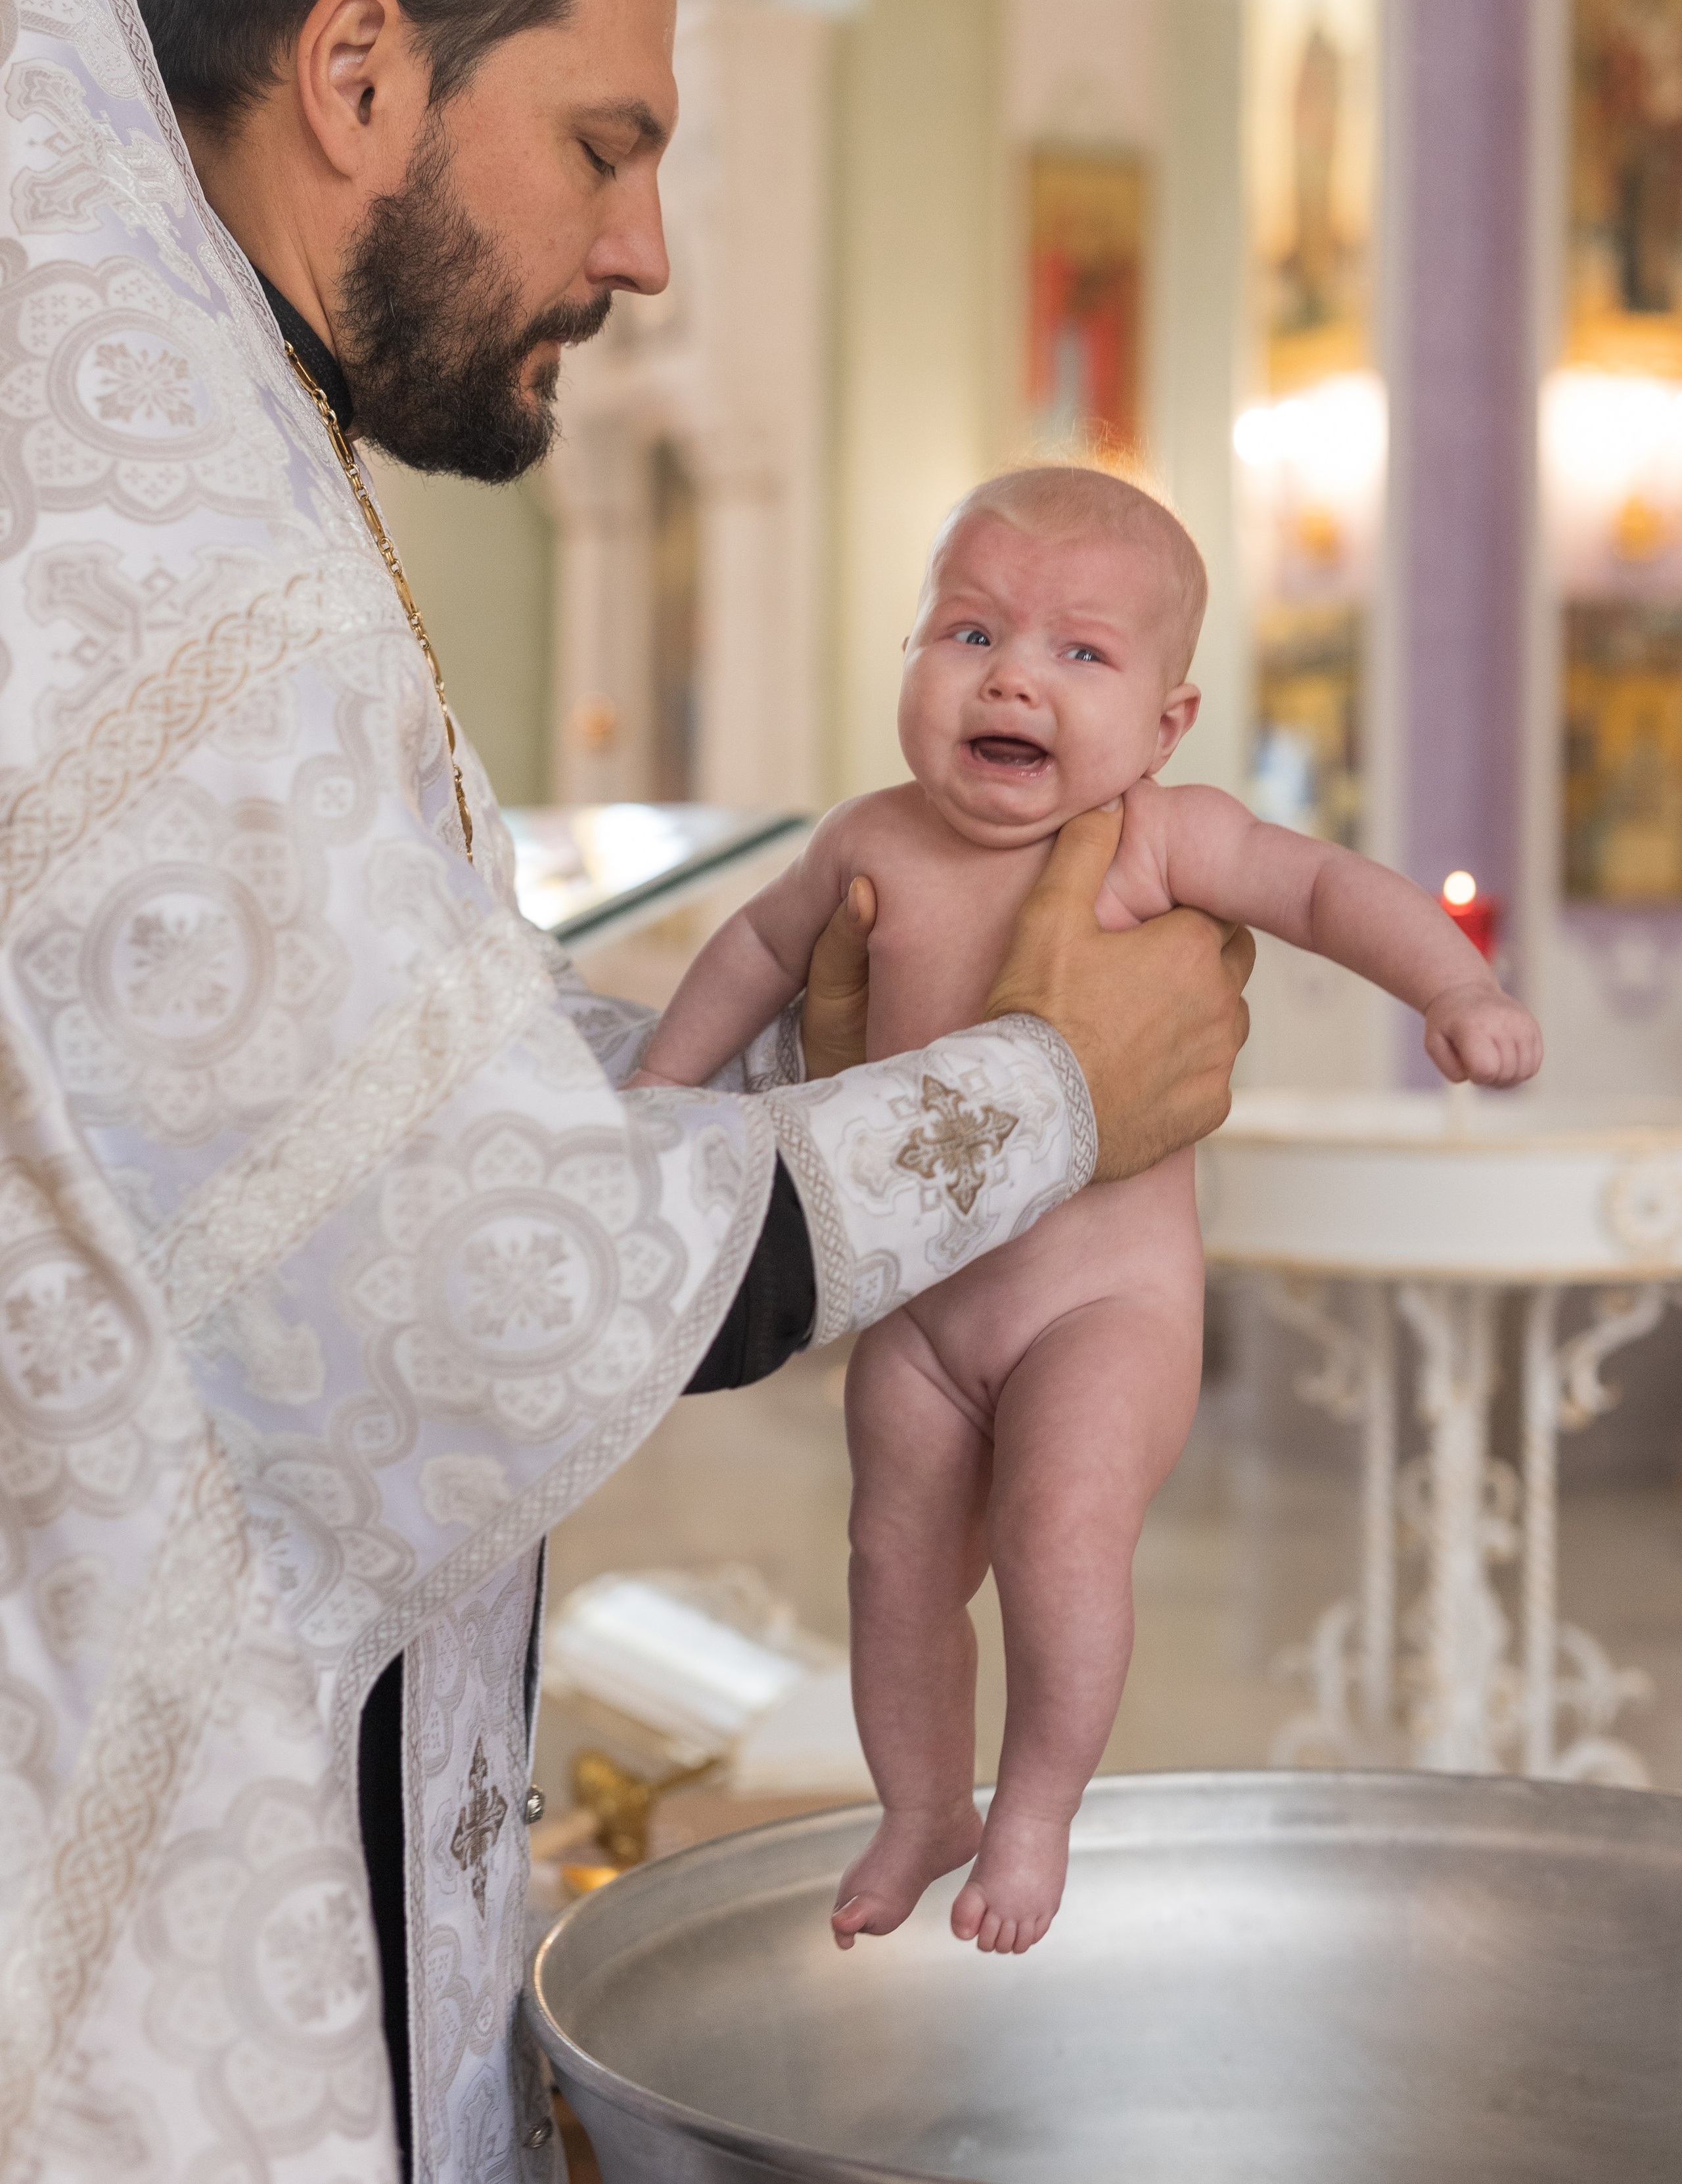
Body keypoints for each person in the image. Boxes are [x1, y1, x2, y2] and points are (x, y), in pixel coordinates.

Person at [0, 0, 1254, 2184]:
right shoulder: (146, 536)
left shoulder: (181, 421)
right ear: (361, 70)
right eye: (608, 140)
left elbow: (349, 1092)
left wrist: (842, 1023)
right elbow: (478, 1279)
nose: (652, 244)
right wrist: (1038, 1094)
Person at [635, 467, 1543, 1957]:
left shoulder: (1153, 839)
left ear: (1165, 722)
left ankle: (1036, 1806)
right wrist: (661, 1098)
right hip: (921, 1321)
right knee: (893, 1565)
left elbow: (1321, 892)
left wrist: (1453, 986)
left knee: (1061, 1537)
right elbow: (751, 948)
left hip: (1098, 1312)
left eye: (1079, 652)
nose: (1013, 679)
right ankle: (920, 1799)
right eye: (969, 634)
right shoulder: (866, 838)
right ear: (914, 658)